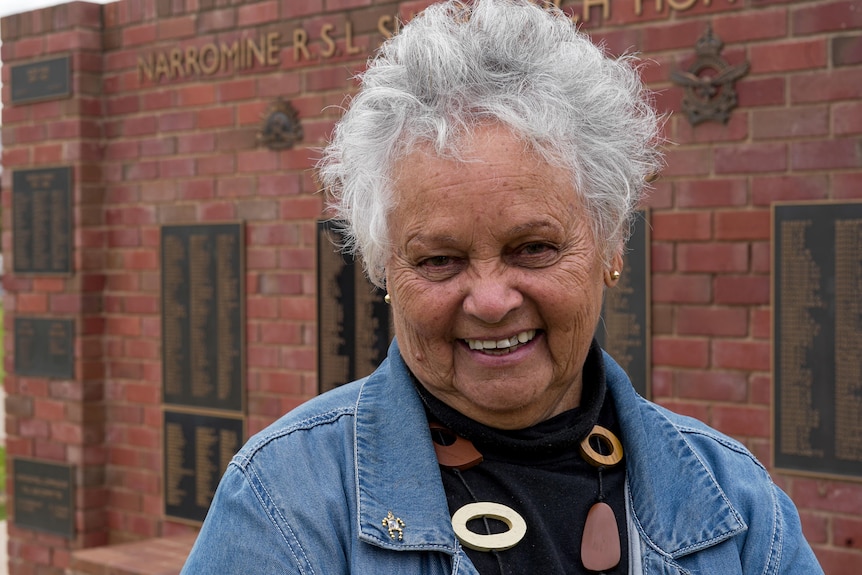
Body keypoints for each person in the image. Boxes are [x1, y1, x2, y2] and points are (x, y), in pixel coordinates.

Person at [181, 1, 823, 573]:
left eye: (534, 248)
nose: (490, 301)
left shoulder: (739, 506)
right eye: (439, 260)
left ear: (610, 245)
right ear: (383, 270)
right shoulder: (284, 503)